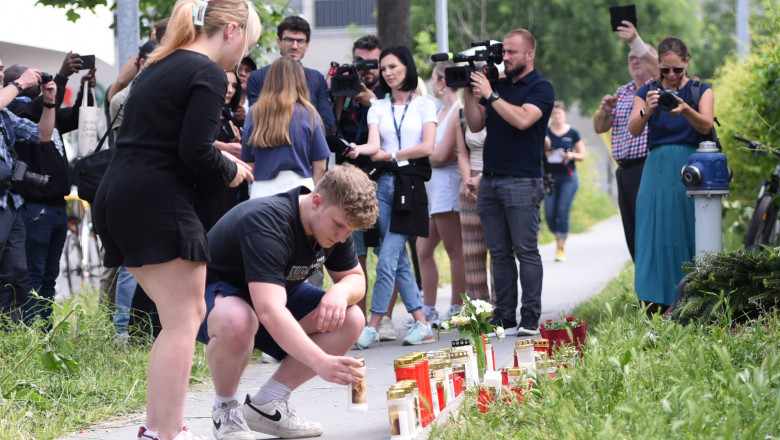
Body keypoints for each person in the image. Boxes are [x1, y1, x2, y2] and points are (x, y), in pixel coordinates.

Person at [92, 1, 259, 439]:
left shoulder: (159, 66)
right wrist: (231, 170)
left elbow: (162, 140)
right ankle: (164, 432)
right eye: (247, 44)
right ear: (232, 32)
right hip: (155, 200)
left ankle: (162, 428)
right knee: (184, 320)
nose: (241, 59)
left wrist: (219, 156)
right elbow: (194, 152)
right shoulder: (204, 72)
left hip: (121, 193)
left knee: (180, 318)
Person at [196, 164, 377, 440]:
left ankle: (268, 404)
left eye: (349, 232)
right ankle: (226, 408)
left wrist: (339, 292)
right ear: (316, 201)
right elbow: (270, 310)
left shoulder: (336, 225)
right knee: (240, 318)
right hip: (212, 298)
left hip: (269, 298)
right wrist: (321, 362)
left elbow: (355, 279)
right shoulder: (269, 222)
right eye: (339, 226)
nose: (341, 238)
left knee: (351, 318)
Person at [463, 29, 554, 336]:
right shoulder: (498, 86)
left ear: (530, 54)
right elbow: (476, 124)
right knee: (498, 253)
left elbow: (523, 120)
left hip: (523, 181)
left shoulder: (540, 87)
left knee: (525, 250)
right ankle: (504, 316)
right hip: (490, 180)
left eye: (513, 52)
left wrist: (490, 94)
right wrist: (468, 89)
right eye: (504, 52)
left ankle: (530, 317)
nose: (506, 57)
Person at [348, 46, 437, 348]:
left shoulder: (425, 104)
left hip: (408, 186)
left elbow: (427, 147)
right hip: (382, 185)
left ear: (407, 67)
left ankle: (373, 325)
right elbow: (375, 145)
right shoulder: (378, 107)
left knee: (386, 259)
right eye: (384, 68)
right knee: (397, 260)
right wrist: (359, 149)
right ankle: (422, 324)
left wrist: (394, 154)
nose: (387, 72)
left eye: (393, 67)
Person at [3, 55, 91, 327]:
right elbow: (31, 111)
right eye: (29, 77)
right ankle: (28, 331)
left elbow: (49, 127)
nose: (36, 81)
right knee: (30, 274)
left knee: (48, 274)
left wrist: (76, 92)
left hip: (54, 204)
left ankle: (44, 330)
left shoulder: (22, 111)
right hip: (32, 207)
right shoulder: (16, 107)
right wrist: (56, 77)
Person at [628, 37, 714, 314]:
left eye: (677, 69)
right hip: (656, 167)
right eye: (665, 70)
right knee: (652, 232)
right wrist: (648, 109)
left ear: (687, 61)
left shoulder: (701, 90)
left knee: (686, 229)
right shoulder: (647, 90)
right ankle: (653, 301)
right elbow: (633, 128)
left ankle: (690, 298)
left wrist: (686, 108)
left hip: (691, 166)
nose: (672, 76)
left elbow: (706, 125)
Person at [331, 34, 398, 340]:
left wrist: (370, 99)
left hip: (382, 177)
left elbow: (395, 129)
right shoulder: (343, 87)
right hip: (347, 179)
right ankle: (357, 319)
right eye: (361, 62)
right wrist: (340, 95)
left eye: (373, 63)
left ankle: (384, 317)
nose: (367, 69)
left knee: (387, 253)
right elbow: (330, 128)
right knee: (353, 254)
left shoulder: (390, 90)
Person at [593, 21, 658, 261]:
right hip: (624, 170)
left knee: (649, 229)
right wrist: (605, 111)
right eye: (630, 58)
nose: (633, 59)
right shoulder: (621, 92)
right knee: (631, 230)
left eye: (638, 55)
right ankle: (642, 283)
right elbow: (600, 127)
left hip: (648, 166)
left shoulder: (659, 90)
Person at [0, 65, 58, 320]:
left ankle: (9, 336)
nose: (1, 74)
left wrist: (48, 101)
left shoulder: (5, 115)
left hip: (10, 201)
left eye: (1, 69)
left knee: (16, 273)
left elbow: (43, 134)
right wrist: (20, 84)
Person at [412, 60, 468, 326]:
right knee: (423, 248)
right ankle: (428, 307)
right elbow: (430, 152)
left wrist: (424, 153)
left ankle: (458, 305)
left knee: (454, 249)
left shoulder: (457, 110)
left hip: (447, 187)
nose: (432, 84)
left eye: (434, 79)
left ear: (442, 81)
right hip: (434, 189)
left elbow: (440, 154)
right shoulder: (441, 110)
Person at [241, 56, 330, 199]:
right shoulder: (309, 113)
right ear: (299, 80)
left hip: (262, 190)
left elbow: (248, 163)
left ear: (270, 79)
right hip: (300, 189)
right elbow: (320, 166)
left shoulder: (254, 112)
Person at [246, 15, 335, 134]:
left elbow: (327, 125)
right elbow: (256, 122)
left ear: (307, 45)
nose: (294, 46)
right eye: (289, 40)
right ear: (279, 42)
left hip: (308, 150)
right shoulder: (258, 77)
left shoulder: (316, 79)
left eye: (300, 41)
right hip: (271, 148)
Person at [544, 101, 586, 262]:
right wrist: (546, 155)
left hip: (568, 177)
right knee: (549, 214)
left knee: (562, 211)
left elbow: (582, 154)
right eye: (554, 114)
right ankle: (558, 235)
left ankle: (561, 247)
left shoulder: (573, 132)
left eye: (559, 113)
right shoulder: (546, 132)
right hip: (550, 178)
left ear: (564, 114)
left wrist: (571, 156)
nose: (557, 116)